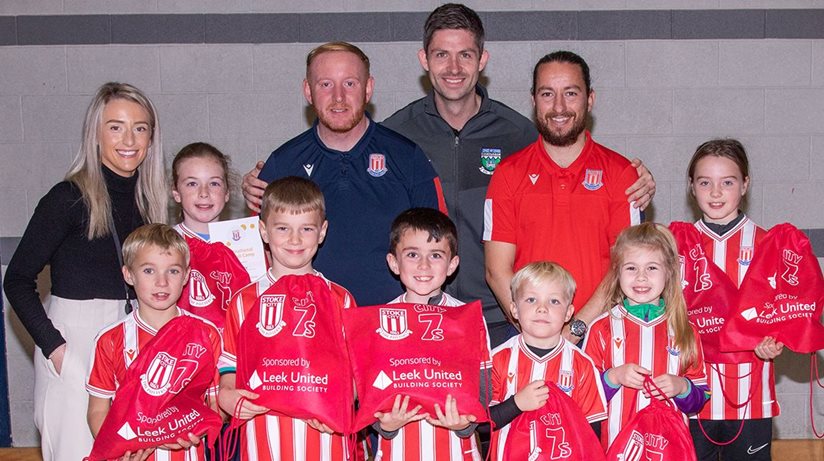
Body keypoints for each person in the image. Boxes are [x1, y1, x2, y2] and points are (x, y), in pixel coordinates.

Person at [243, 5, 656, 344]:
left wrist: (631, 176)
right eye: (441, 54)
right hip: (410, 315)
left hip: (502, 318)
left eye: (465, 55)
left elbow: (569, 149)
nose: (453, 67)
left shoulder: (520, 134)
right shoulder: (397, 137)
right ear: (425, 61)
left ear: (483, 60)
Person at [3, 82, 167, 461]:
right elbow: (16, 280)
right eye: (116, 126)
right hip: (75, 341)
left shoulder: (149, 204)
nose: (129, 139)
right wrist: (57, 349)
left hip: (132, 339)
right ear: (96, 133)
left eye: (140, 128)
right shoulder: (67, 198)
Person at [239, 41, 446, 306]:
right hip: (307, 326)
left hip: (392, 328)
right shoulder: (282, 164)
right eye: (325, 84)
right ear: (308, 91)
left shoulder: (408, 158)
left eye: (350, 83)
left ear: (368, 88)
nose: (338, 97)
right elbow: (258, 254)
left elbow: (440, 244)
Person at [484, 50, 644, 346]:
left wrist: (575, 330)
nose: (559, 106)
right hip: (526, 338)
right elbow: (497, 270)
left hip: (602, 340)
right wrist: (535, 331)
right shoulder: (507, 174)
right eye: (547, 94)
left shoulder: (621, 174)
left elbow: (625, 265)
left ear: (590, 99)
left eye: (570, 93)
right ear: (533, 101)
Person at [217, 176, 357, 459]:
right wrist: (227, 396)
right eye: (283, 228)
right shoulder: (244, 301)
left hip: (326, 440)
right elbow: (229, 369)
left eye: (306, 228)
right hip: (263, 439)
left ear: (322, 232)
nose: (295, 240)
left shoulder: (341, 299)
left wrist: (342, 402)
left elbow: (355, 375)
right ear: (264, 231)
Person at [86, 224, 222, 461]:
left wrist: (200, 429)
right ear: (129, 275)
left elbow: (215, 402)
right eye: (149, 271)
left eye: (173, 271)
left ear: (187, 275)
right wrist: (117, 452)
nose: (162, 282)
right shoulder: (110, 339)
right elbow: (98, 409)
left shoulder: (206, 334)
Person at [683, 139, 782, 461]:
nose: (715, 193)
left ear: (745, 185)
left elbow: (783, 312)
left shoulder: (768, 244)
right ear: (691, 187)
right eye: (705, 182)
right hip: (691, 396)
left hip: (750, 397)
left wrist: (776, 339)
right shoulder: (677, 247)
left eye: (727, 182)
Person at [374, 207, 487, 461]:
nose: (424, 265)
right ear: (394, 262)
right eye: (412, 254)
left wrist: (465, 424)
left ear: (452, 265)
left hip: (457, 450)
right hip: (397, 450)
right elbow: (373, 391)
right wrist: (385, 426)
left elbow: (484, 388)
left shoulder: (468, 318)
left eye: (436, 255)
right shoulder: (379, 320)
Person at [583, 223, 709, 448]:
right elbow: (583, 397)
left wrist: (682, 387)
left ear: (669, 272)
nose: (641, 277)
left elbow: (700, 398)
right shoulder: (601, 328)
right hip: (616, 448)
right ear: (617, 272)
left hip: (670, 448)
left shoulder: (685, 330)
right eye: (631, 268)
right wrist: (613, 377)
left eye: (651, 268)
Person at [488, 261, 608, 459]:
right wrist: (516, 404)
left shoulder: (582, 364)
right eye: (531, 300)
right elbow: (482, 425)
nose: (542, 308)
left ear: (569, 313)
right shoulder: (498, 359)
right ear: (514, 309)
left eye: (554, 301)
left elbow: (591, 432)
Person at [171, 142, 251, 332]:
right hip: (185, 349)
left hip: (237, 351)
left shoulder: (249, 241)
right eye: (192, 183)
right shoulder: (165, 244)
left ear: (227, 193)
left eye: (214, 183)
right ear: (176, 193)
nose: (204, 193)